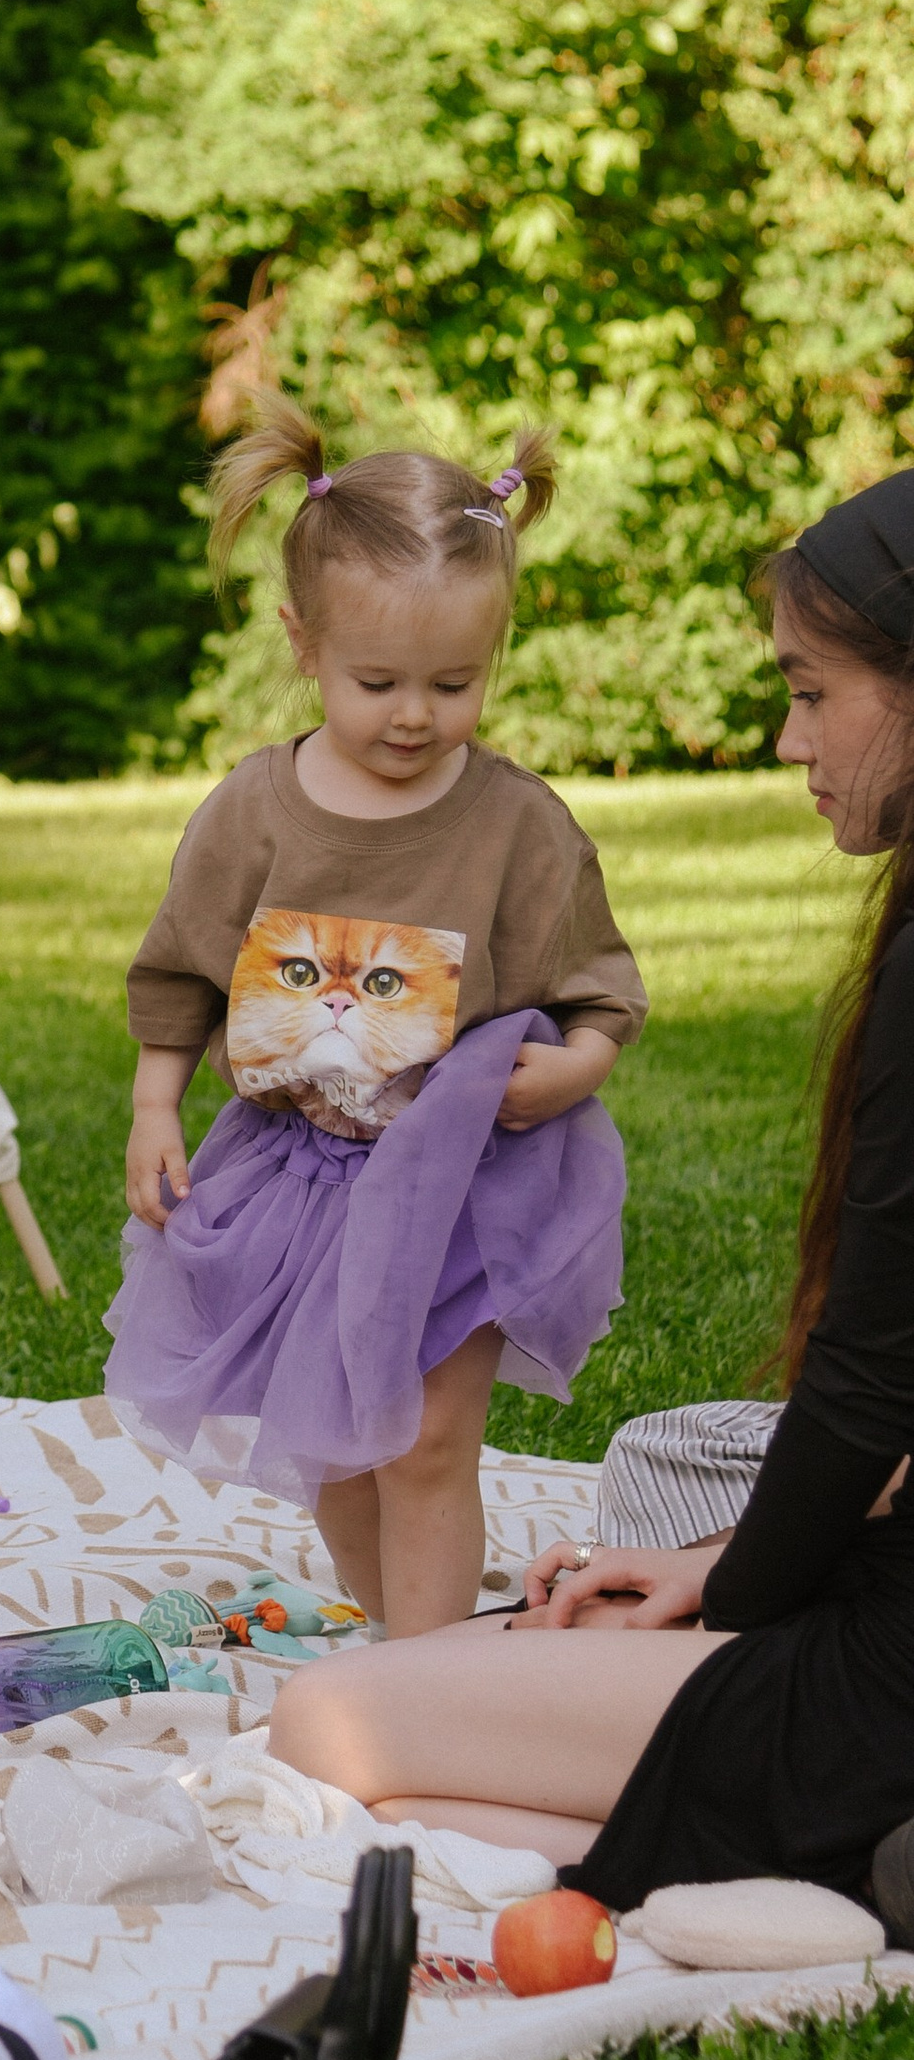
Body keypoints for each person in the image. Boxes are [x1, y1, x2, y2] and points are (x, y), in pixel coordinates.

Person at [267, 465, 914, 1922]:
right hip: (863, 1588)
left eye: (816, 693)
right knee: (438, 1758)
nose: (788, 736)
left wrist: (740, 1603)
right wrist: (699, 1563)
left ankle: (830, 1835)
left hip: (879, 1670)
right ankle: (809, 1836)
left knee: (332, 1723)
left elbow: (874, 1391)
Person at [105, 400, 646, 1637]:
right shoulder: (254, 812)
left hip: (469, 1178)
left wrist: (574, 1071)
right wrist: (153, 1103)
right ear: (301, 643)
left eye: (453, 683)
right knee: (345, 1447)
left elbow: (599, 982)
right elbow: (180, 969)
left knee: (424, 1438)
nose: (414, 714)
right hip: (308, 1179)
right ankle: (401, 1635)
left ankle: (432, 1670)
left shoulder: (516, 825)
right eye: (379, 681)